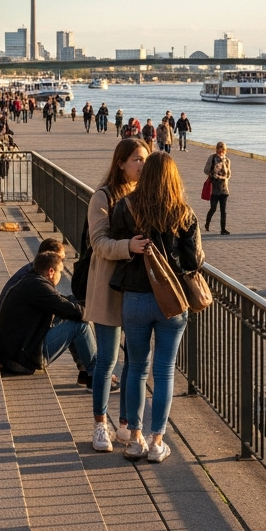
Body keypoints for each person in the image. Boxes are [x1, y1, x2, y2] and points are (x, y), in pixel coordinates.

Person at [109, 151, 202, 463]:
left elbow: (118, 246)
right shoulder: (184, 213)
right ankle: (157, 440)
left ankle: (134, 439)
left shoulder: (125, 207)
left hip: (135, 297)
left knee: (135, 368)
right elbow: (194, 261)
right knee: (163, 371)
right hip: (171, 302)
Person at [86, 138, 148, 453]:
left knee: (133, 361)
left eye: (145, 159)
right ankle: (99, 424)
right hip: (109, 289)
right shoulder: (102, 196)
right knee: (108, 359)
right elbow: (99, 243)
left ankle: (124, 425)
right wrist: (128, 247)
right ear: (121, 163)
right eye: (136, 159)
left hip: (136, 290)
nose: (141, 164)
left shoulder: (143, 197)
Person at [0, 251, 96, 376]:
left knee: (70, 314)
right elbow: (74, 312)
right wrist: (95, 311)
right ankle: (96, 373)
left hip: (14, 353)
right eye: (60, 272)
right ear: (51, 272)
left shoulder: (31, 280)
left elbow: (62, 304)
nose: (61, 276)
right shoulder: (38, 286)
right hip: (21, 360)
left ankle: (85, 370)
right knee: (80, 327)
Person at [203, 141, 231, 235]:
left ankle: (223, 229)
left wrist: (223, 177)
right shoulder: (212, 158)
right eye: (219, 148)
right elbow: (206, 170)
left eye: (222, 149)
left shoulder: (227, 160)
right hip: (214, 189)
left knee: (224, 210)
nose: (221, 150)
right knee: (213, 208)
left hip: (224, 189)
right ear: (216, 149)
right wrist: (213, 174)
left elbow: (229, 174)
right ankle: (207, 223)